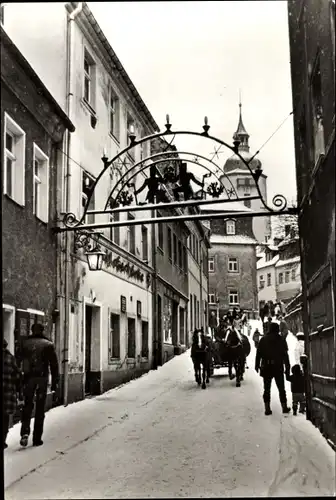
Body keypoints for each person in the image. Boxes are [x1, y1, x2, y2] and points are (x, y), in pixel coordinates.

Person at [18, 323, 59, 447]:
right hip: (42, 378)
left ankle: (25, 433)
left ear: (32, 330)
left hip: (28, 378)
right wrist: (55, 383)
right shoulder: (48, 345)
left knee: (27, 405)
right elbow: (54, 365)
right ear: (42, 330)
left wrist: (19, 381)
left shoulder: (24, 344)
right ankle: (37, 439)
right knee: (40, 408)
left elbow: (17, 362)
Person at [255, 321, 291, 416]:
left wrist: (256, 365)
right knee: (281, 389)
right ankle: (284, 407)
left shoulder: (263, 339)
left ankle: (267, 409)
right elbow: (285, 356)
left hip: (266, 367)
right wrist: (287, 368)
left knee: (267, 389)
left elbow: (258, 354)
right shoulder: (281, 340)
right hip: (278, 367)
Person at [3, 339, 22, 449]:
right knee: (5, 418)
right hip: (7, 394)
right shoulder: (10, 358)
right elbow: (18, 376)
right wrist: (19, 392)